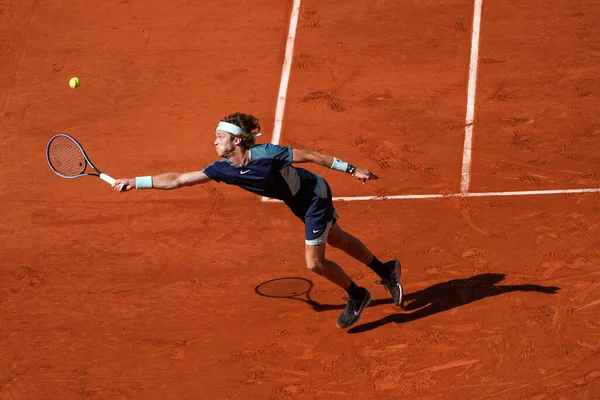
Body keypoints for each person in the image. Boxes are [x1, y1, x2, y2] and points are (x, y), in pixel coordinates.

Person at [113, 112, 403, 329]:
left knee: (315, 263)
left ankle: (357, 294)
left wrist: (353, 170)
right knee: (337, 238)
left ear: (236, 140)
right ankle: (386, 269)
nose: (213, 141)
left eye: (220, 136)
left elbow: (313, 156)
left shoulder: (268, 154)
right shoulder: (222, 169)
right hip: (297, 201)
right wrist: (135, 182)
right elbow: (178, 179)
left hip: (314, 194)